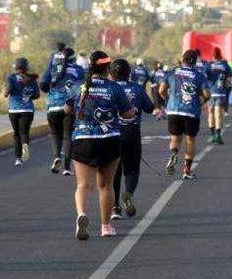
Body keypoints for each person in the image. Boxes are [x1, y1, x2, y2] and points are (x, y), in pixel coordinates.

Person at [65, 51, 136, 239]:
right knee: (105, 186)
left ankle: (82, 214)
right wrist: (133, 110)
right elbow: (127, 114)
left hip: (83, 139)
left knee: (83, 184)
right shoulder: (114, 88)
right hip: (109, 140)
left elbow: (67, 109)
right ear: (107, 69)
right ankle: (106, 226)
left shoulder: (79, 86)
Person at [109, 59, 157, 219]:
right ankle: (128, 193)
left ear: (111, 73)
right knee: (132, 170)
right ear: (129, 73)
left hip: (111, 134)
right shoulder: (136, 88)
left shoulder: (108, 88)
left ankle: (115, 208)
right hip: (131, 133)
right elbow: (149, 108)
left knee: (114, 172)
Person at [158, 50, 210, 180]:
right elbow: (207, 94)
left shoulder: (171, 73)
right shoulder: (199, 76)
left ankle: (174, 153)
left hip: (174, 110)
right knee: (190, 140)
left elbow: (161, 90)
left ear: (182, 59)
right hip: (191, 111)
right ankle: (187, 169)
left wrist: (167, 100)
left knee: (175, 138)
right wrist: (201, 102)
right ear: (195, 61)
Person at [40, 47, 84, 176]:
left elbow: (43, 85)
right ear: (73, 58)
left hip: (52, 107)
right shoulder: (78, 69)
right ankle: (67, 168)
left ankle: (57, 157)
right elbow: (82, 88)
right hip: (69, 107)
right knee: (68, 136)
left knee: (55, 134)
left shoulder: (52, 68)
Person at [4, 58, 40, 166]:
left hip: (13, 110)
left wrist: (6, 94)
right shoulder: (32, 78)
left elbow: (9, 89)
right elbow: (37, 95)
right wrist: (28, 96)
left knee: (16, 134)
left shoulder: (11, 77)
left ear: (15, 67)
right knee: (24, 133)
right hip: (27, 110)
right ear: (26, 67)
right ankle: (25, 146)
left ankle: (18, 159)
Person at [206, 47, 232, 145]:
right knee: (218, 114)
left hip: (210, 93)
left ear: (213, 55)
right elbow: (229, 79)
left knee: (211, 113)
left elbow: (205, 77)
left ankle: (212, 135)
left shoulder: (209, 65)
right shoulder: (225, 65)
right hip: (221, 92)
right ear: (220, 54)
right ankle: (218, 135)